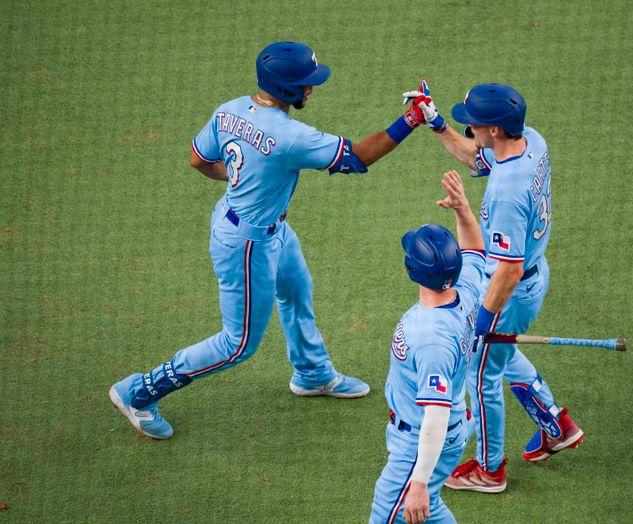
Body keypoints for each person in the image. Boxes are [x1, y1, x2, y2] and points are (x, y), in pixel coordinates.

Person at [109, 41, 429, 439]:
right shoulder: (290, 136)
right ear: (286, 89)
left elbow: (198, 159)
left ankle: (312, 373)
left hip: (261, 226)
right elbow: (359, 157)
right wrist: (411, 120)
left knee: (296, 290)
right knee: (237, 343)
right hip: (247, 244)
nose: (311, 89)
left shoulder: (230, 110)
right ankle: (138, 392)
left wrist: (239, 179)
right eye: (306, 83)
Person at [403, 81, 584, 492]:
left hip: (511, 289)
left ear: (495, 131)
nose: (471, 131)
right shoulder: (530, 140)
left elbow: (508, 270)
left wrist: (483, 321)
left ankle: (489, 470)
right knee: (500, 356)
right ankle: (556, 425)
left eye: (475, 125)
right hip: (531, 276)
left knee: (480, 376)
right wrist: (437, 124)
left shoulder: (506, 194)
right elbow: (477, 159)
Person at [367, 170, 485, 524]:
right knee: (430, 508)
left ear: (414, 270)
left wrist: (418, 481)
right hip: (443, 430)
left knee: (388, 523)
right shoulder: (465, 290)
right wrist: (463, 211)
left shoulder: (430, 336)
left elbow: (434, 415)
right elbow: (476, 252)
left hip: (420, 442)